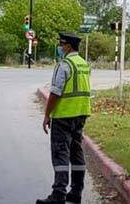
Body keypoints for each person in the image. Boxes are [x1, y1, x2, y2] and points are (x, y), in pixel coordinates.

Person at [38, 33, 92, 204]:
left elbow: (55, 92)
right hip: (81, 114)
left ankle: (58, 194)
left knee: (61, 152)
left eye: (61, 45)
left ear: (68, 46)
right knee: (76, 152)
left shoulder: (64, 65)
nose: (60, 48)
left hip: (64, 115)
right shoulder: (84, 64)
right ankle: (76, 191)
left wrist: (47, 114)